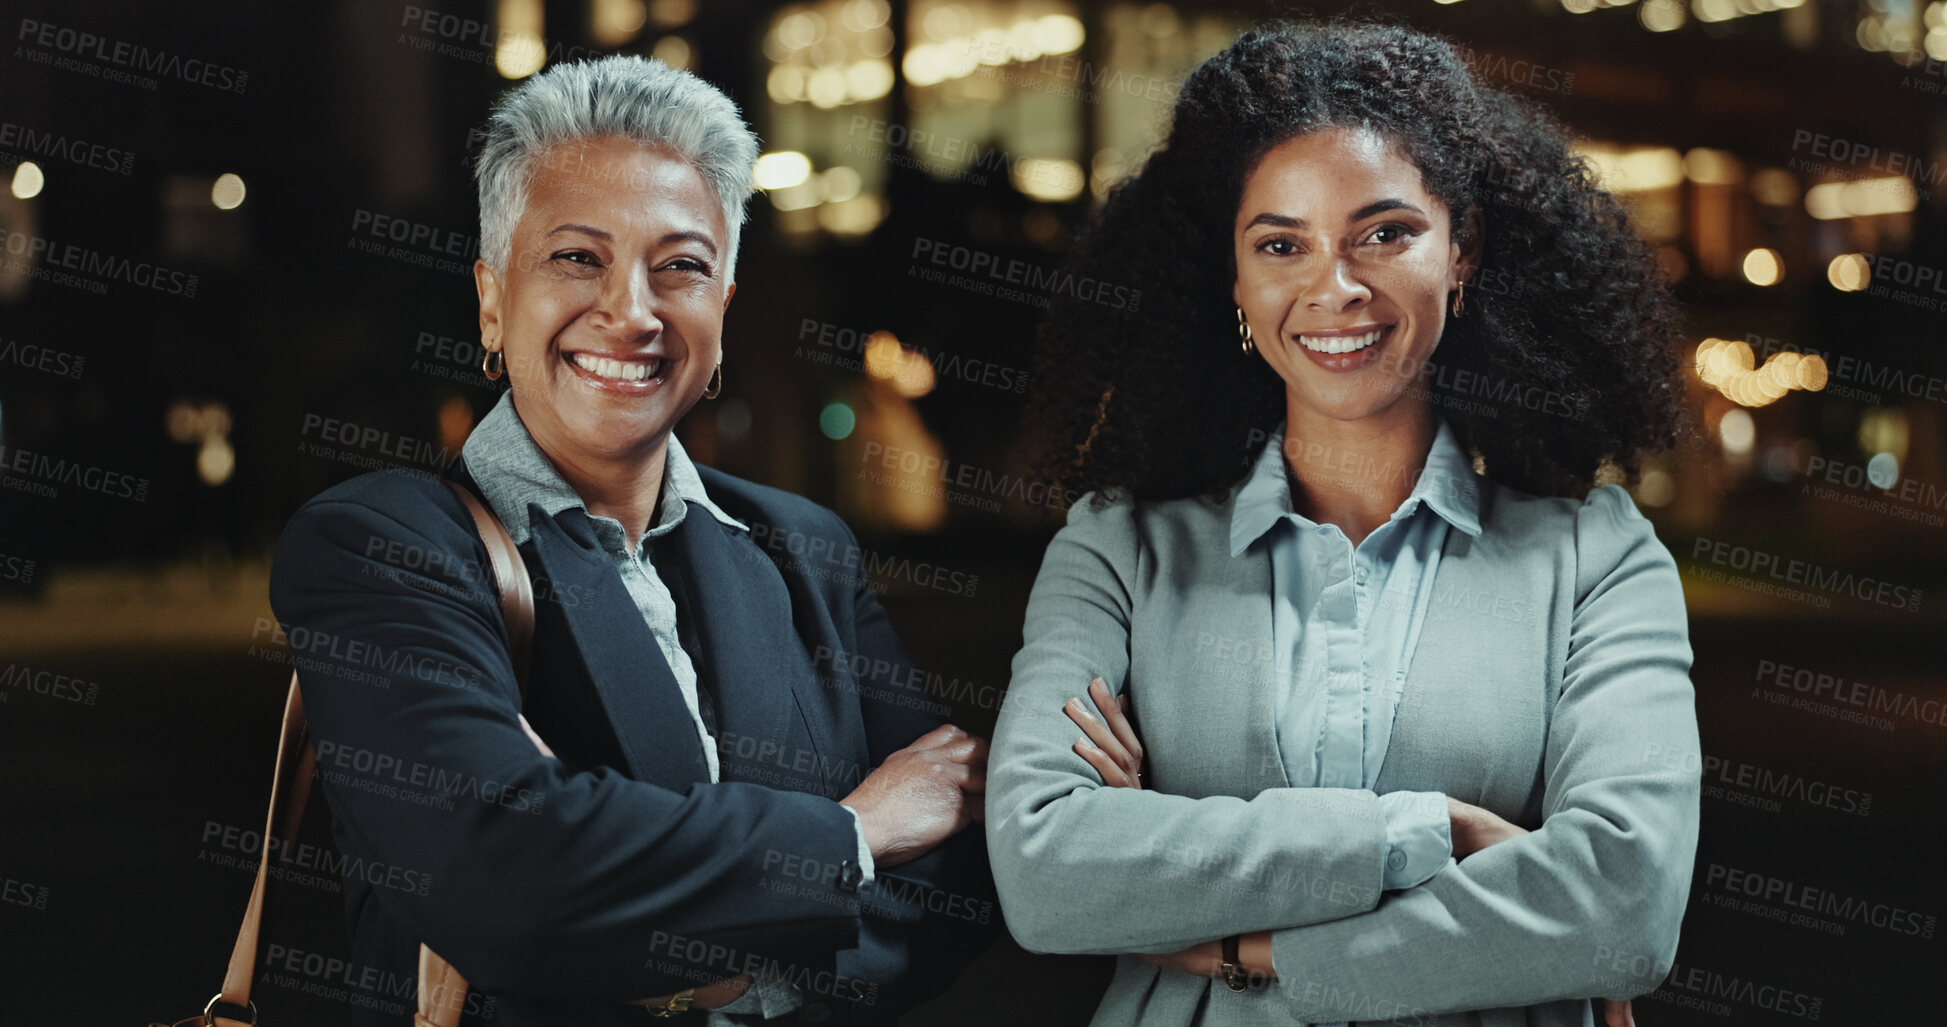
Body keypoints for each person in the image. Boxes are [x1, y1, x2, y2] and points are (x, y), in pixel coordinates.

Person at [986, 21, 1700, 1027]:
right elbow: (1046, 871)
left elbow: (1624, 907)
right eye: (1282, 244)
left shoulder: (1596, 554)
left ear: (1463, 250)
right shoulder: (1120, 547)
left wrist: (1237, 942)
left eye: (1385, 232)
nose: (1336, 287)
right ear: (1233, 281)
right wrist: (1425, 831)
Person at [269, 55, 996, 1025]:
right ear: (491, 298)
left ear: (723, 313)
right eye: (578, 257)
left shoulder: (803, 548)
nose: (633, 311)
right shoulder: (383, 546)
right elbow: (503, 873)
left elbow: (958, 872)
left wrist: (698, 976)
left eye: (681, 265)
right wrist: (849, 839)